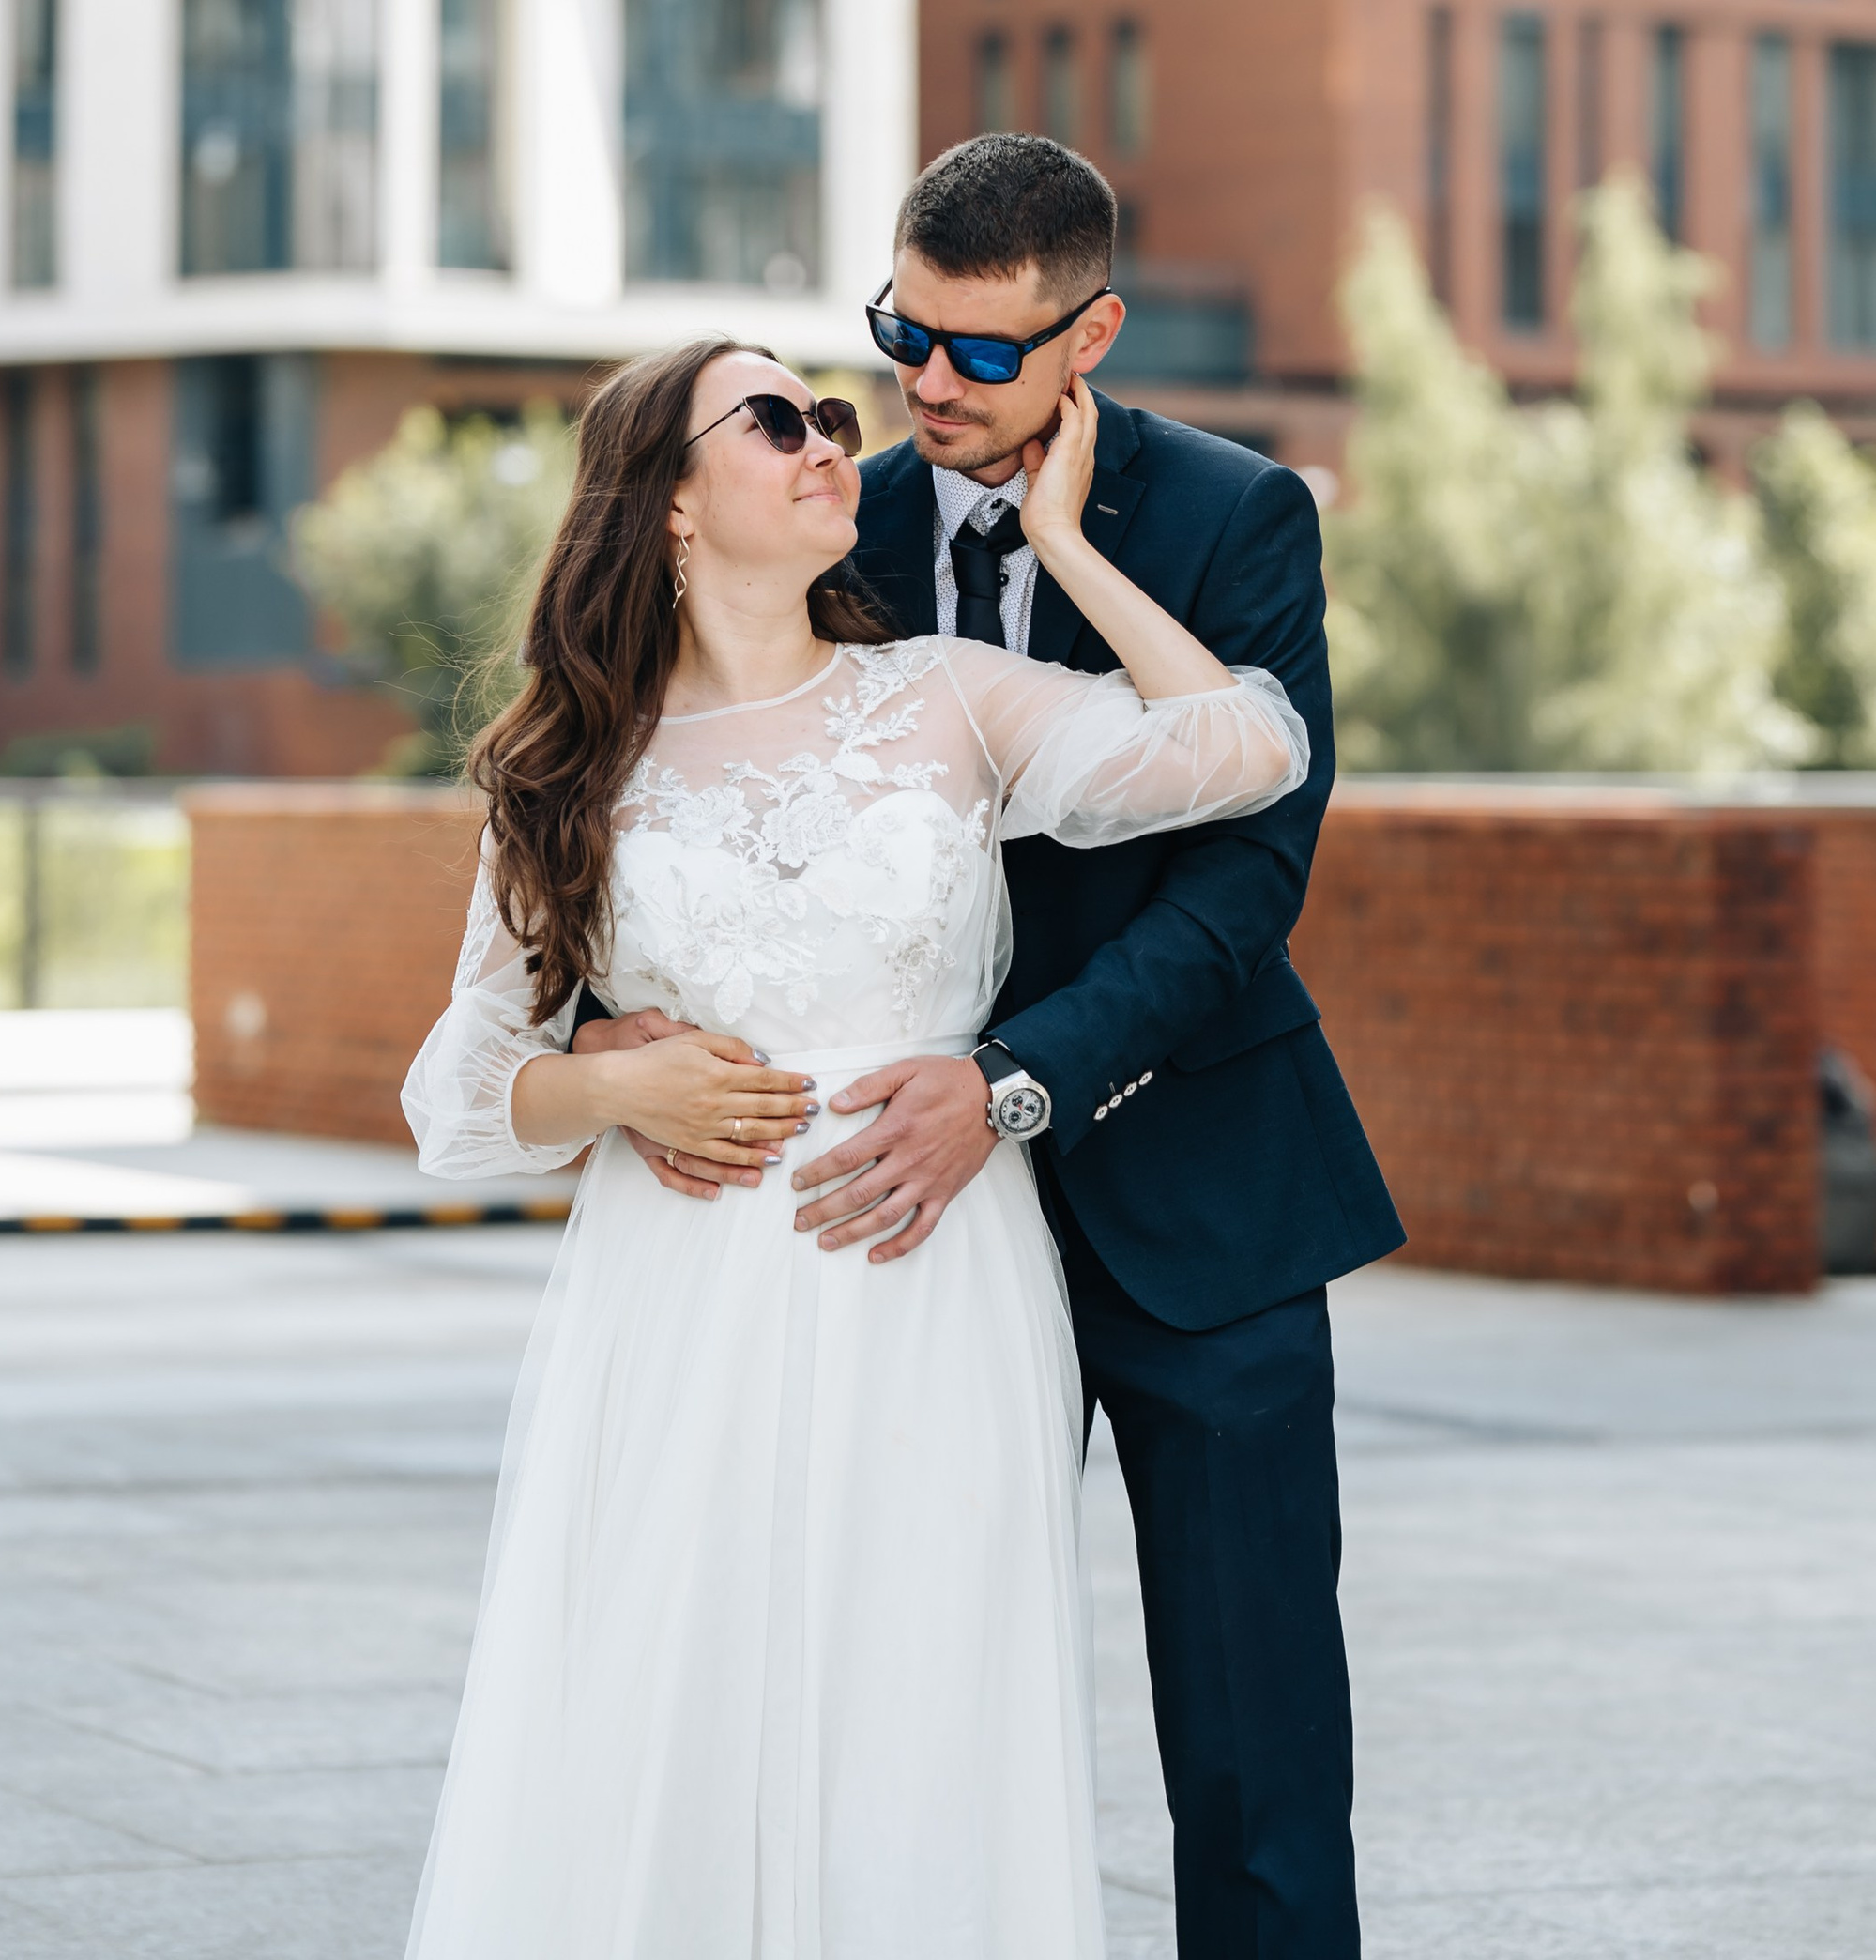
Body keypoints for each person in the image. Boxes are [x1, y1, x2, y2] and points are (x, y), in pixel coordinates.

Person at [580, 136, 1404, 1957]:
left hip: (1198, 1193)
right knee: (887, 1707)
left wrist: (1011, 1079)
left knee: (1258, 1735)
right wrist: (608, 1019)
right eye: (898, 337)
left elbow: (1243, 880)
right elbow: (645, 782)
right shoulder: (814, 511)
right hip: (888, 1241)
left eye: (976, 351)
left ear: (1089, 330)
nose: (923, 388)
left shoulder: (1232, 515)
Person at [400, 329, 1311, 1960]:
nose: (836, 439)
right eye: (779, 420)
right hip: (681, 1304)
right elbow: (458, 1096)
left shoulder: (948, 701)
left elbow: (1252, 746)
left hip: (933, 1283)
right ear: (669, 503)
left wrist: (1065, 548)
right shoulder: (568, 769)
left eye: (834, 414)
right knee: (682, 1705)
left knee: (920, 1708)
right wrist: (617, 1089)